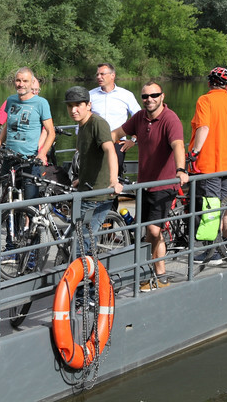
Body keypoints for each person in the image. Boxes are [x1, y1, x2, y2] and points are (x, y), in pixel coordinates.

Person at [112, 81, 187, 291]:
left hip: (164, 184)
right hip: (144, 184)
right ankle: (148, 271)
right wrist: (100, 144)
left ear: (162, 96)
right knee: (146, 231)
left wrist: (181, 170)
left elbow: (178, 145)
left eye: (154, 95)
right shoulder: (139, 118)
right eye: (145, 97)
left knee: (154, 230)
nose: (149, 100)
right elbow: (117, 133)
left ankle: (160, 275)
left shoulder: (170, 119)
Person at [188, 67, 227, 255]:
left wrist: (194, 152)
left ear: (210, 83)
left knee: (211, 205)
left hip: (211, 163)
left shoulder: (205, 100)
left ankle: (213, 252)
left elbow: (204, 127)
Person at [65, 86, 123, 254]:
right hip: (86, 189)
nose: (73, 110)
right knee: (82, 238)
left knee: (81, 242)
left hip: (99, 194)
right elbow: (88, 156)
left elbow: (110, 150)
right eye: (70, 106)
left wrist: (114, 180)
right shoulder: (82, 125)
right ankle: (88, 273)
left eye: (78, 105)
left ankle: (89, 277)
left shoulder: (98, 123)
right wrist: (80, 178)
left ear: (88, 105)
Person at [0, 67, 56, 199]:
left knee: (30, 202)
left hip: (30, 160)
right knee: (4, 198)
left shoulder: (41, 103)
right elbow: (9, 124)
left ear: (32, 83)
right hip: (9, 158)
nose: (21, 84)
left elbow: (51, 132)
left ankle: (30, 219)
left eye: (25, 81)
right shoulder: (11, 100)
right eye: (18, 80)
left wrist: (42, 153)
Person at [89, 63, 141, 175]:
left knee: (115, 175)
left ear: (113, 75)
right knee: (95, 175)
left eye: (102, 74)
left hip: (118, 144)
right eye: (97, 74)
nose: (98, 77)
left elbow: (140, 118)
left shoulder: (126, 95)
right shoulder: (90, 95)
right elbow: (83, 120)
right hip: (95, 143)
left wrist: (133, 140)